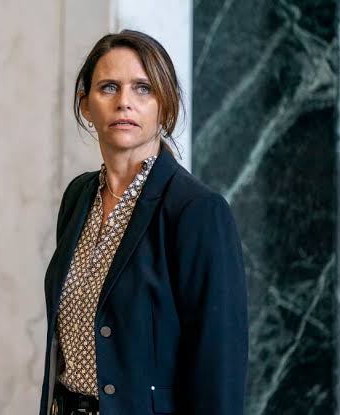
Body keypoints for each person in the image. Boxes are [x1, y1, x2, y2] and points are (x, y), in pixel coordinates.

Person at [39, 30, 248, 415]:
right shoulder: (78, 197)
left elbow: (219, 370)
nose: (124, 102)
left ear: (164, 107)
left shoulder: (198, 211)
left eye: (142, 89)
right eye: (109, 87)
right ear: (86, 106)